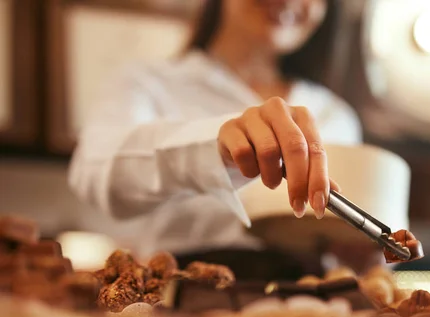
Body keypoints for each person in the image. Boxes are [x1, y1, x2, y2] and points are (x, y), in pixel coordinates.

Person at [68, 0, 362, 279]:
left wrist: (361, 255)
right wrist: (214, 146)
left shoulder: (336, 116)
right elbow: (95, 171)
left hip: (314, 306)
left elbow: (346, 251)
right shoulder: (147, 83)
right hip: (180, 300)